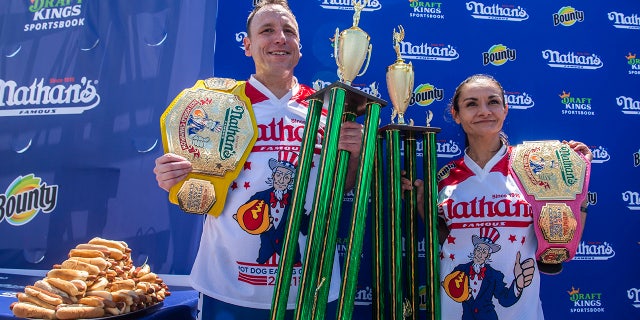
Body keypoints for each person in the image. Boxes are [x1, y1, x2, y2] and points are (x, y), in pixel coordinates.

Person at [153, 1, 363, 318]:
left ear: (299, 48)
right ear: (248, 45)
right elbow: (193, 192)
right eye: (267, 30)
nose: (279, 38)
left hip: (311, 291)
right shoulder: (217, 105)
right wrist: (173, 177)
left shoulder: (327, 111)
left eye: (288, 31)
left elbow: (341, 187)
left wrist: (355, 156)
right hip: (228, 290)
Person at [402, 74, 592, 320]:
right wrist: (421, 206)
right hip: (453, 309)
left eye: (492, 102)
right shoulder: (444, 179)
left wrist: (578, 183)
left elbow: (559, 248)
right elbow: (445, 240)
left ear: (505, 110)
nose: (484, 111)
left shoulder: (539, 167)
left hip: (521, 312)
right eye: (471, 104)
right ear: (456, 114)